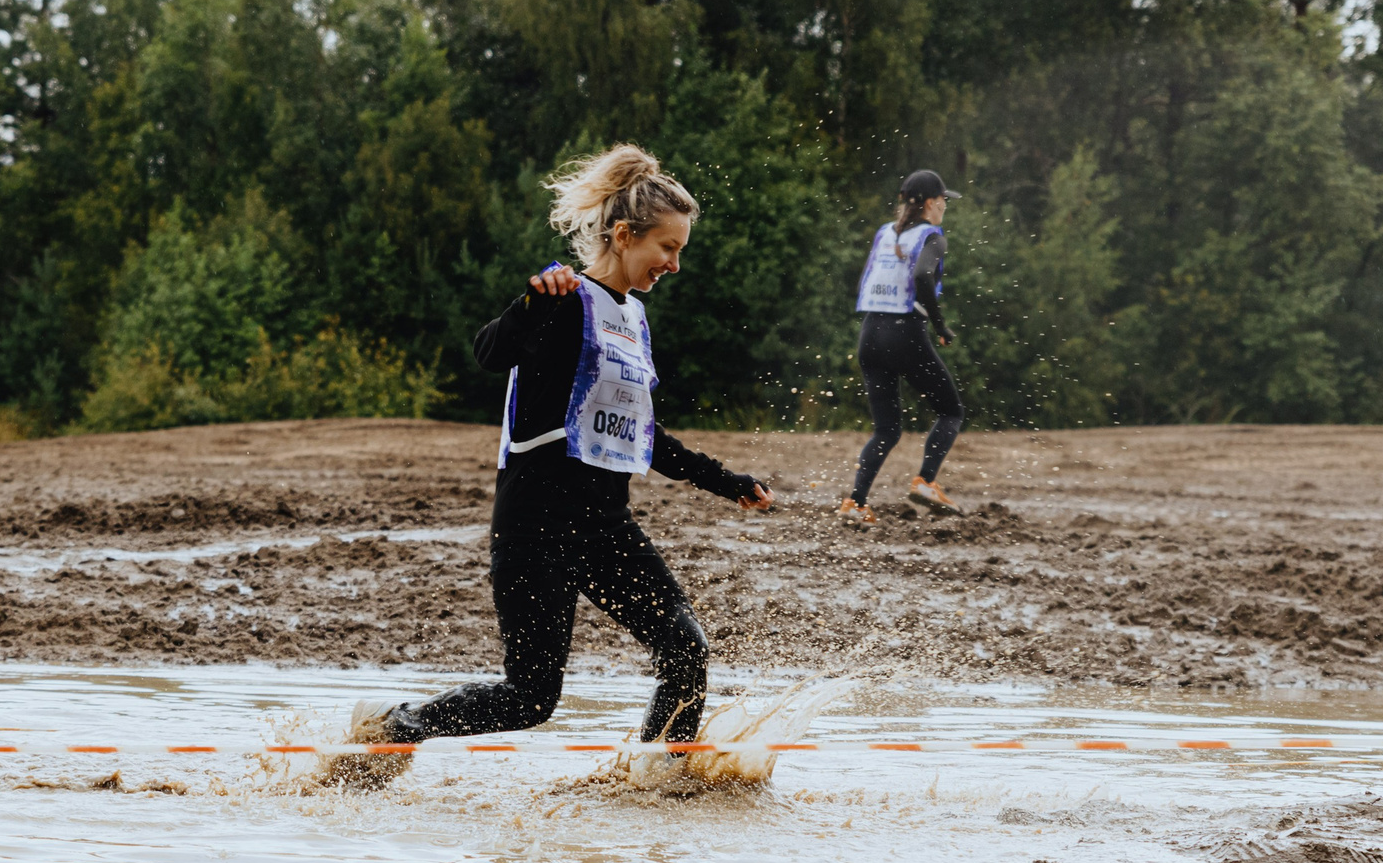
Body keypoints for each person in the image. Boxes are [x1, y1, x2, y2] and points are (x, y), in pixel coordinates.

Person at [356, 145, 773, 750]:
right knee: (530, 700)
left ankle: (659, 783)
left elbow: (643, 435)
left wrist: (726, 481)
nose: (675, 264)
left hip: (603, 526)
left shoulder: (633, 320)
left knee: (685, 648)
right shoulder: (560, 301)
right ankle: (398, 728)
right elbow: (488, 352)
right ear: (626, 235)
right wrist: (530, 302)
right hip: (535, 528)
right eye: (669, 248)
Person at [838, 169, 965, 527]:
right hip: (904, 333)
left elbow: (869, 279)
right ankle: (925, 481)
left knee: (887, 430)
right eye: (943, 201)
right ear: (929, 203)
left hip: (870, 334)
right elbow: (923, 276)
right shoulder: (933, 237)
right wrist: (939, 324)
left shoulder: (884, 234)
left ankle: (855, 503)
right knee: (951, 411)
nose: (944, 207)